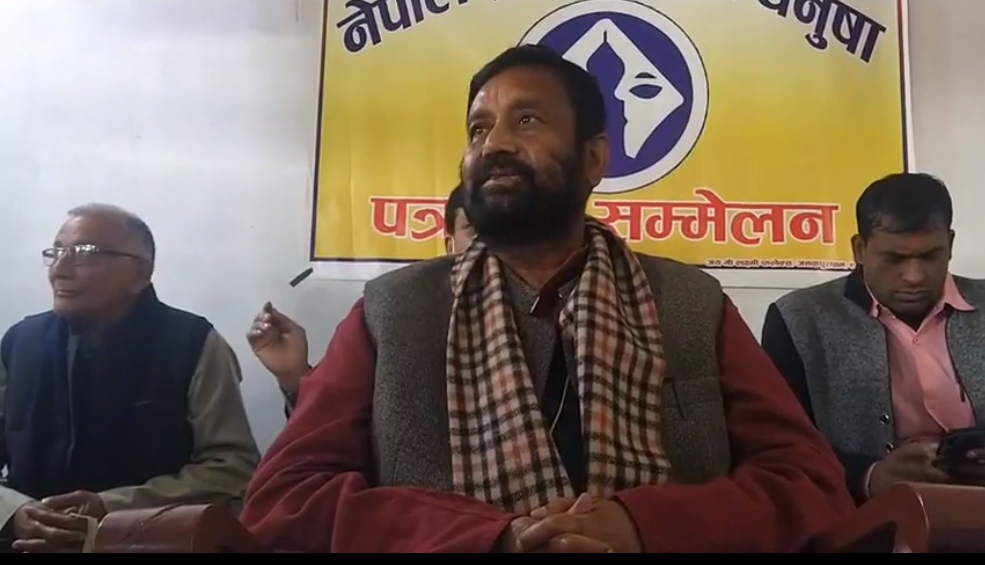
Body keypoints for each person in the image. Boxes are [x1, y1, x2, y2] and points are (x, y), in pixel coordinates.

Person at [239, 45, 854, 553]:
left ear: (594, 158)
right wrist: (490, 538)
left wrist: (642, 526)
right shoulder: (390, 311)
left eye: (527, 120)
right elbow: (285, 499)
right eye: (479, 128)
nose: (494, 144)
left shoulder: (691, 303)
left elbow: (808, 484)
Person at [0, 204, 260, 553]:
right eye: (56, 252)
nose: (59, 270)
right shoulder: (21, 342)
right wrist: (14, 512)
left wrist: (111, 506)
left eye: (84, 253)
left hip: (146, 543)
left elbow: (233, 468)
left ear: (140, 273)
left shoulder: (191, 344)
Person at [762, 173, 985, 503]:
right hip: (858, 517)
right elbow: (778, 444)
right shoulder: (799, 319)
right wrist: (869, 476)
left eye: (930, 256)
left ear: (950, 245)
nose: (914, 276)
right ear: (860, 249)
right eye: (894, 259)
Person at [248, 184, 474, 413]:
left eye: (498, 232)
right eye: (474, 231)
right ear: (450, 245)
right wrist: (295, 377)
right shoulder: (387, 316)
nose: (487, 245)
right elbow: (338, 425)